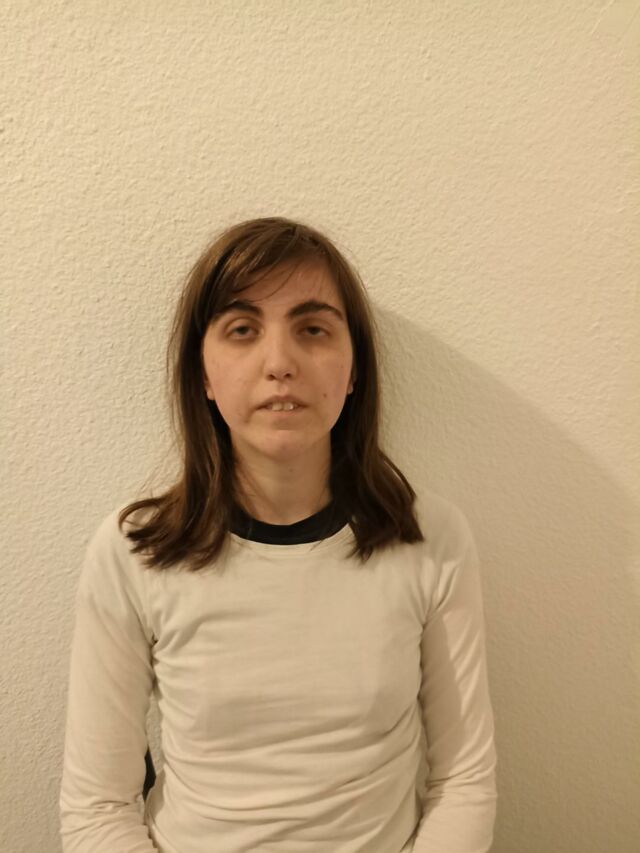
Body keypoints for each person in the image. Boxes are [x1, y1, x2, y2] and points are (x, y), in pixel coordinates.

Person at [59, 216, 497, 852]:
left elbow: (464, 780)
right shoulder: (134, 551)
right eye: (242, 330)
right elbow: (97, 807)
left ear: (354, 369)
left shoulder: (430, 537)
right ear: (203, 374)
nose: (280, 363)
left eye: (312, 329)